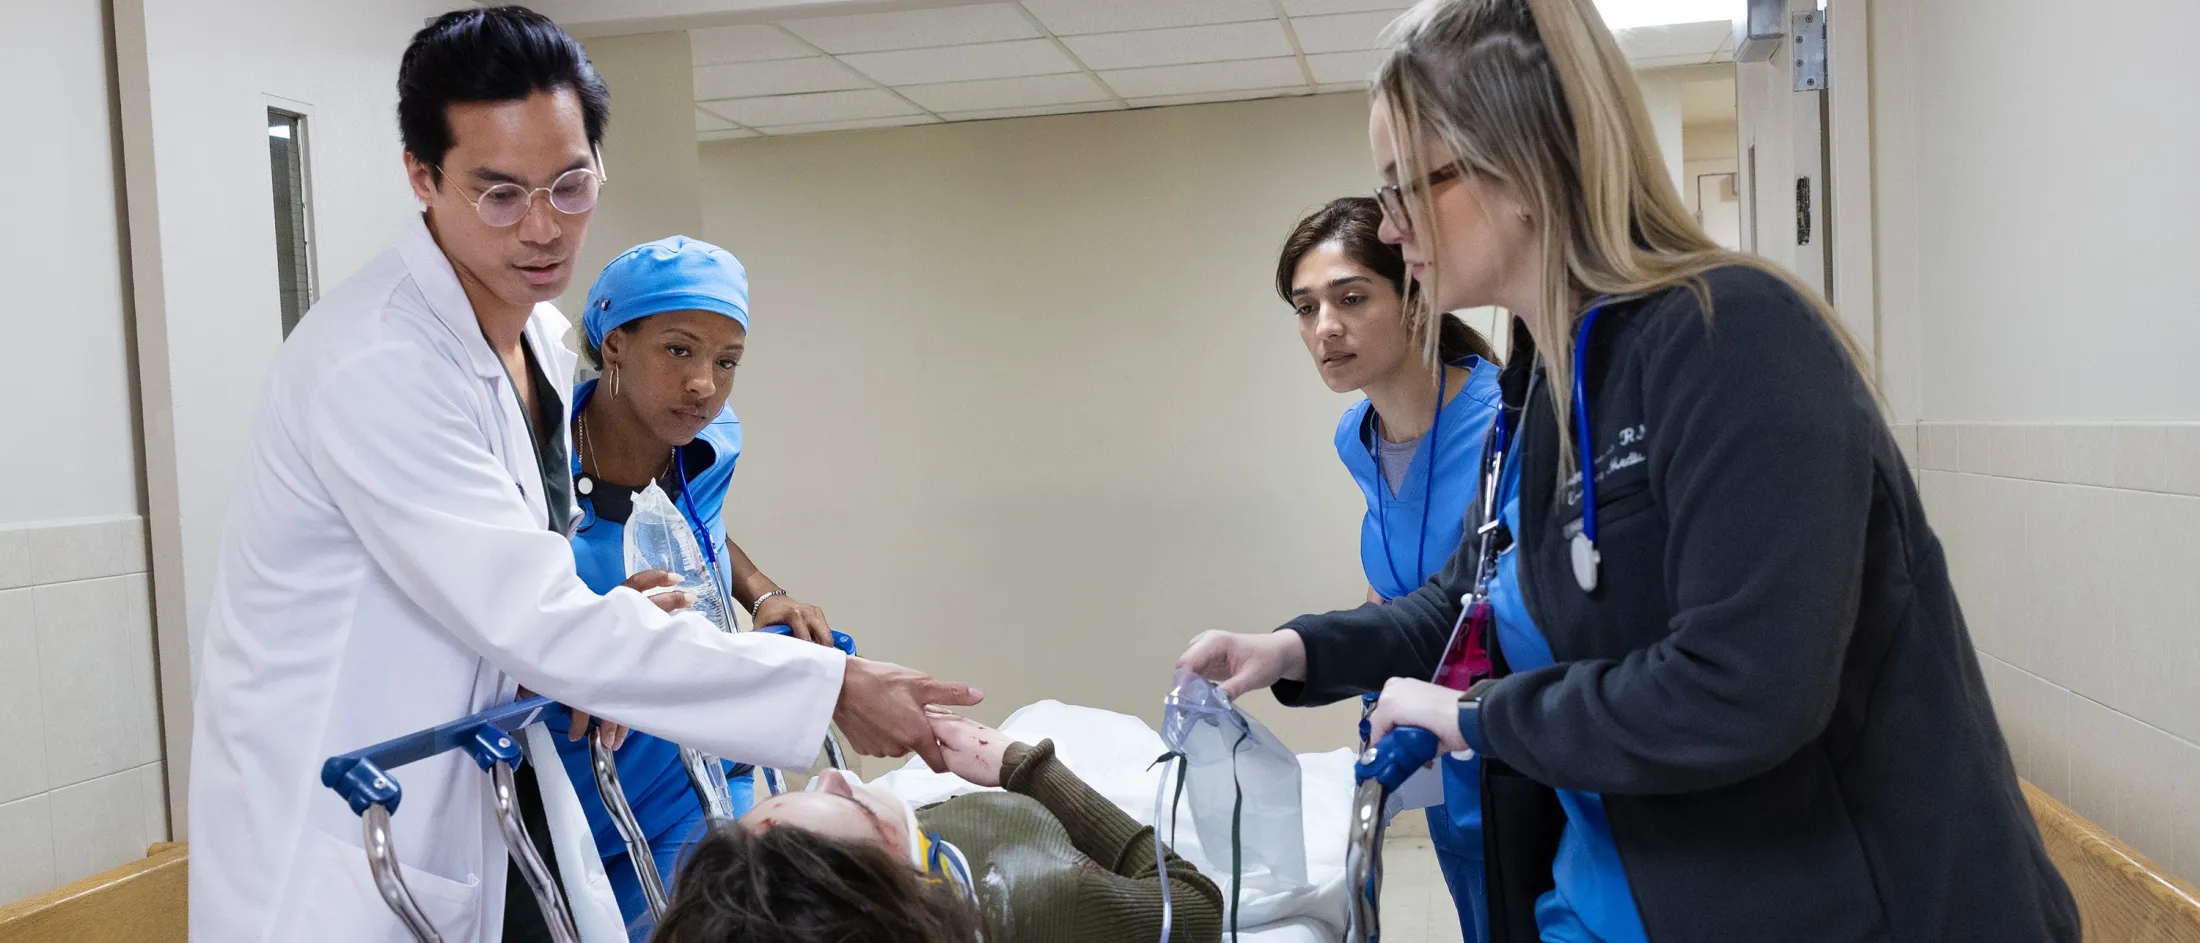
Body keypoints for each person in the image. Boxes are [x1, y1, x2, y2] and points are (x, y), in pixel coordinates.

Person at [1179, 1, 2079, 941]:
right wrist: (1293, 649)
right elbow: (1470, 595)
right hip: (1623, 896)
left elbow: (1743, 687)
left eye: (1411, 189)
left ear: (1522, 164)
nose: (1394, 228)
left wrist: (1479, 716)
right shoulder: (1545, 385)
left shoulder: (1730, 337)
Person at [188, 9, 979, 941]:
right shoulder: (376, 365)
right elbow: (534, 616)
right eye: (499, 194)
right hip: (338, 846)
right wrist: (831, 683)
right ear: (422, 176)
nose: (543, 228)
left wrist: (614, 618)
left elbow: (530, 584)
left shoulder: (542, 339)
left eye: (570, 185)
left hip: (476, 807)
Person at [547, 235, 838, 937]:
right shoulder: (536, 469)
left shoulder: (708, 442)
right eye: (679, 350)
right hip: (578, 787)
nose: (705, 384)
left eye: (726, 361)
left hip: (694, 766)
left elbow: (698, 519)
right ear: (615, 344)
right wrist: (593, 633)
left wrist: (761, 590)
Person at [1277, 196, 1501, 942]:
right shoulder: (1357, 437)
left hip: (1509, 746)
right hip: (1423, 749)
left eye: (1350, 298)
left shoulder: (1505, 426)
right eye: (1306, 307)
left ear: (1416, 298)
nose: (1325, 327)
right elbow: (1394, 575)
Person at [649, 711, 1225, 943]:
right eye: (856, 807)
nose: (835, 776)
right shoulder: (1047, 897)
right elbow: (1195, 904)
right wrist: (1029, 769)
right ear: (894, 886)